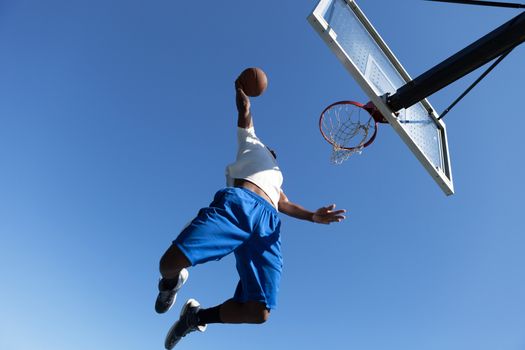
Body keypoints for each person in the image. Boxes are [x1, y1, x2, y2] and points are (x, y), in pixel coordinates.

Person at [156, 74, 347, 349]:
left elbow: (284, 203)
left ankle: (195, 317)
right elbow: (244, 111)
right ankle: (169, 285)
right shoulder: (251, 142)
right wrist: (240, 92)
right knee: (168, 264)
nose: (274, 153)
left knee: (259, 312)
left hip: (269, 223)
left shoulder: (277, 175)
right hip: (239, 205)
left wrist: (313, 216)